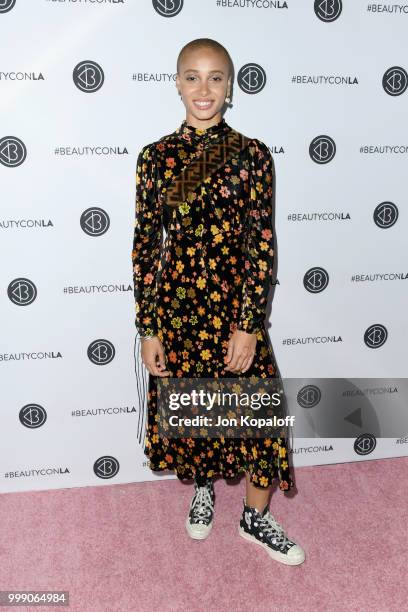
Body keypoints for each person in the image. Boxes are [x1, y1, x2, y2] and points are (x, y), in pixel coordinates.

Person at [131, 37, 305, 566]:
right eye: (192, 76)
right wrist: (150, 328)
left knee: (259, 418)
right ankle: (202, 487)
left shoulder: (251, 156)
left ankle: (255, 517)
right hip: (179, 314)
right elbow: (145, 246)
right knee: (196, 412)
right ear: (177, 82)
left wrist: (249, 325)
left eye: (215, 77)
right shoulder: (155, 159)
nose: (203, 88)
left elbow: (261, 246)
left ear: (231, 88)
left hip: (234, 315)